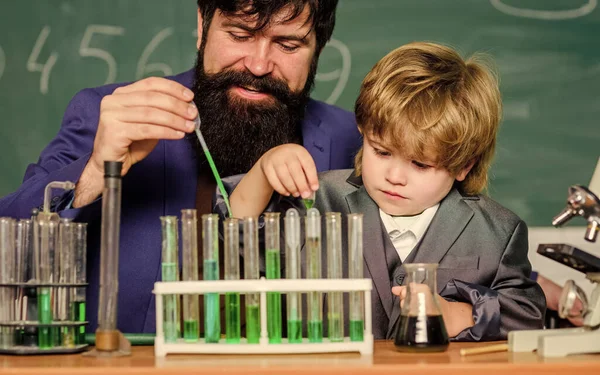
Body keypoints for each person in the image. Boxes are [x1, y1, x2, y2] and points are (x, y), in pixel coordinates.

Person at [0, 0, 362, 333]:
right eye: (239, 34)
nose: (258, 64)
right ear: (203, 25)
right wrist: (95, 172)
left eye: (288, 45)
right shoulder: (107, 114)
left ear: (318, 47)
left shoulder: (354, 141)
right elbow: (9, 251)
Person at [220, 42, 546, 340]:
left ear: (463, 166)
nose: (394, 176)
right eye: (382, 151)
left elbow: (526, 313)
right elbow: (233, 242)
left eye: (420, 164)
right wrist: (264, 172)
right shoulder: (315, 201)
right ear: (363, 131)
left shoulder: (497, 232)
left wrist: (457, 313)